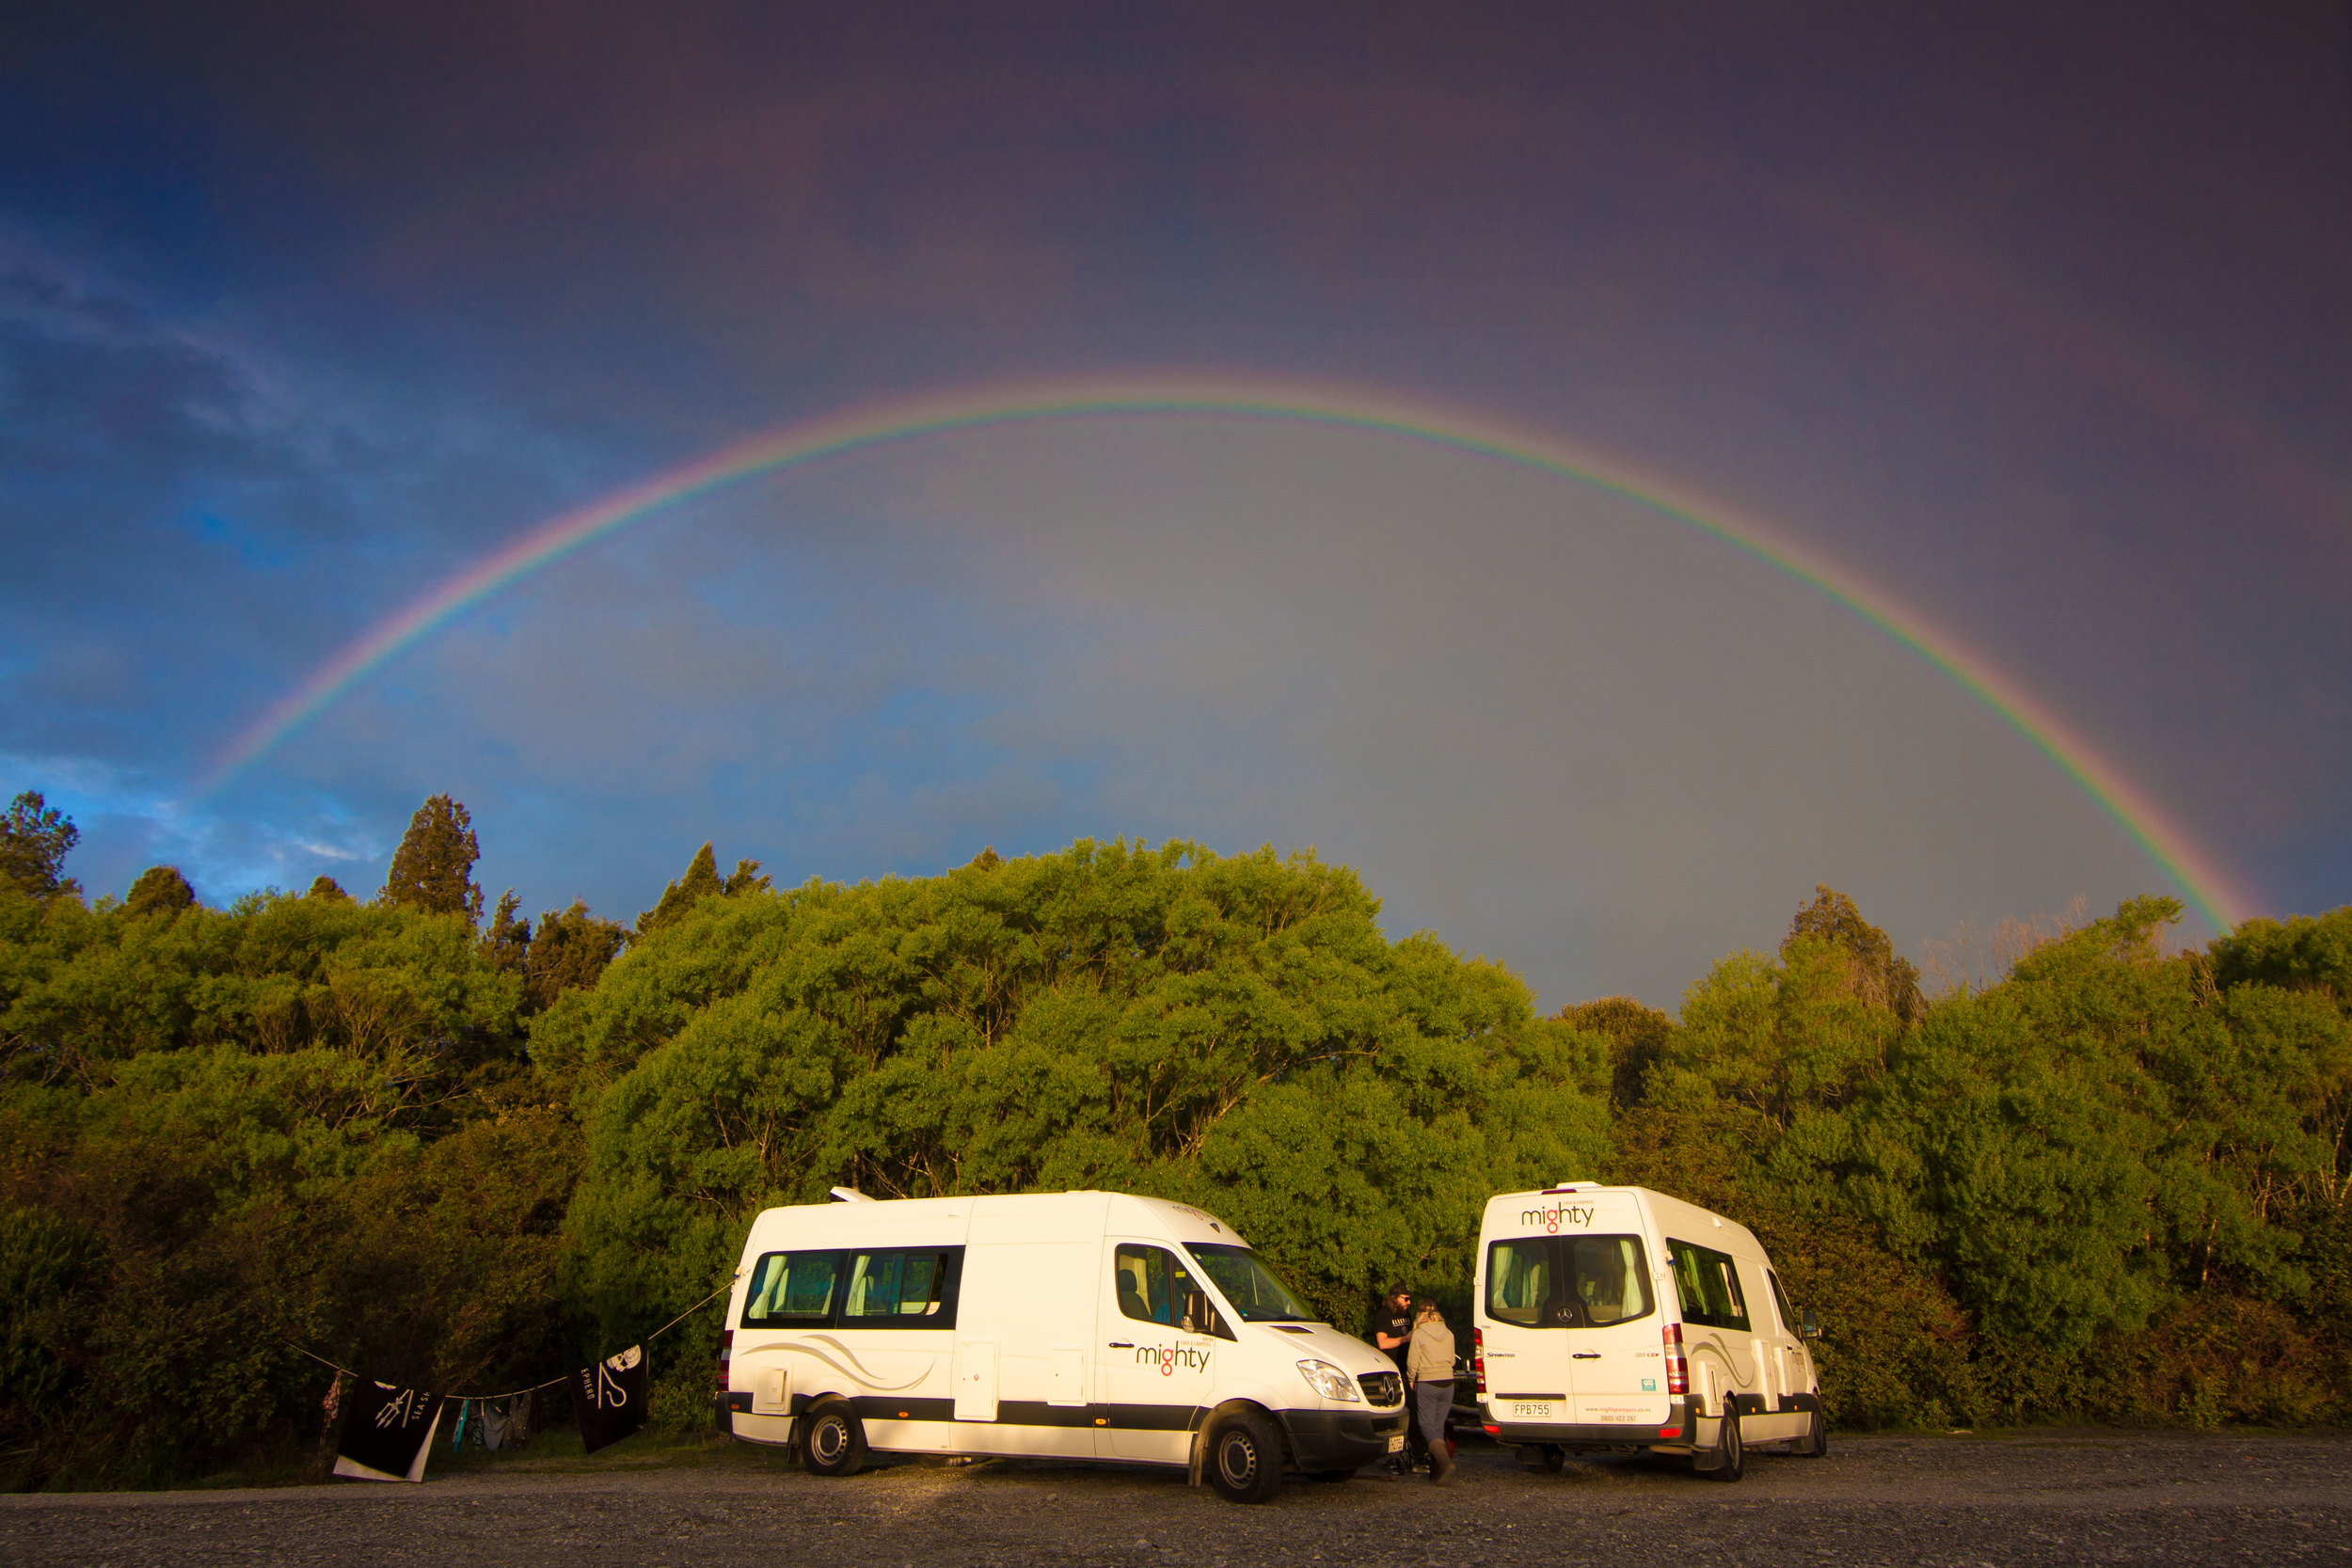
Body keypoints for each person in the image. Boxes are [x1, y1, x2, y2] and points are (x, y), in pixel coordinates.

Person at [1408, 1299, 1457, 1485]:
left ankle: (1445, 1464)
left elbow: (1413, 1361)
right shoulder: (1449, 1333)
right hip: (1448, 1381)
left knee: (1426, 1425)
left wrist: (1411, 1377)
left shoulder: (1419, 1334)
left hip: (1428, 1381)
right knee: (1437, 1426)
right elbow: (1452, 1360)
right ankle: (1437, 1472)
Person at [1371, 1287, 1416, 1474]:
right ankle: (1393, 1457)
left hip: (1407, 1369)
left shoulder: (1407, 1314)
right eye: (1405, 1299)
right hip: (1390, 1369)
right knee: (1395, 1414)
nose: (1408, 1302)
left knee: (1411, 1410)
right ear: (1395, 1298)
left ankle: (1410, 1451)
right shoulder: (1383, 1315)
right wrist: (1405, 1338)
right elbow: (1383, 1342)